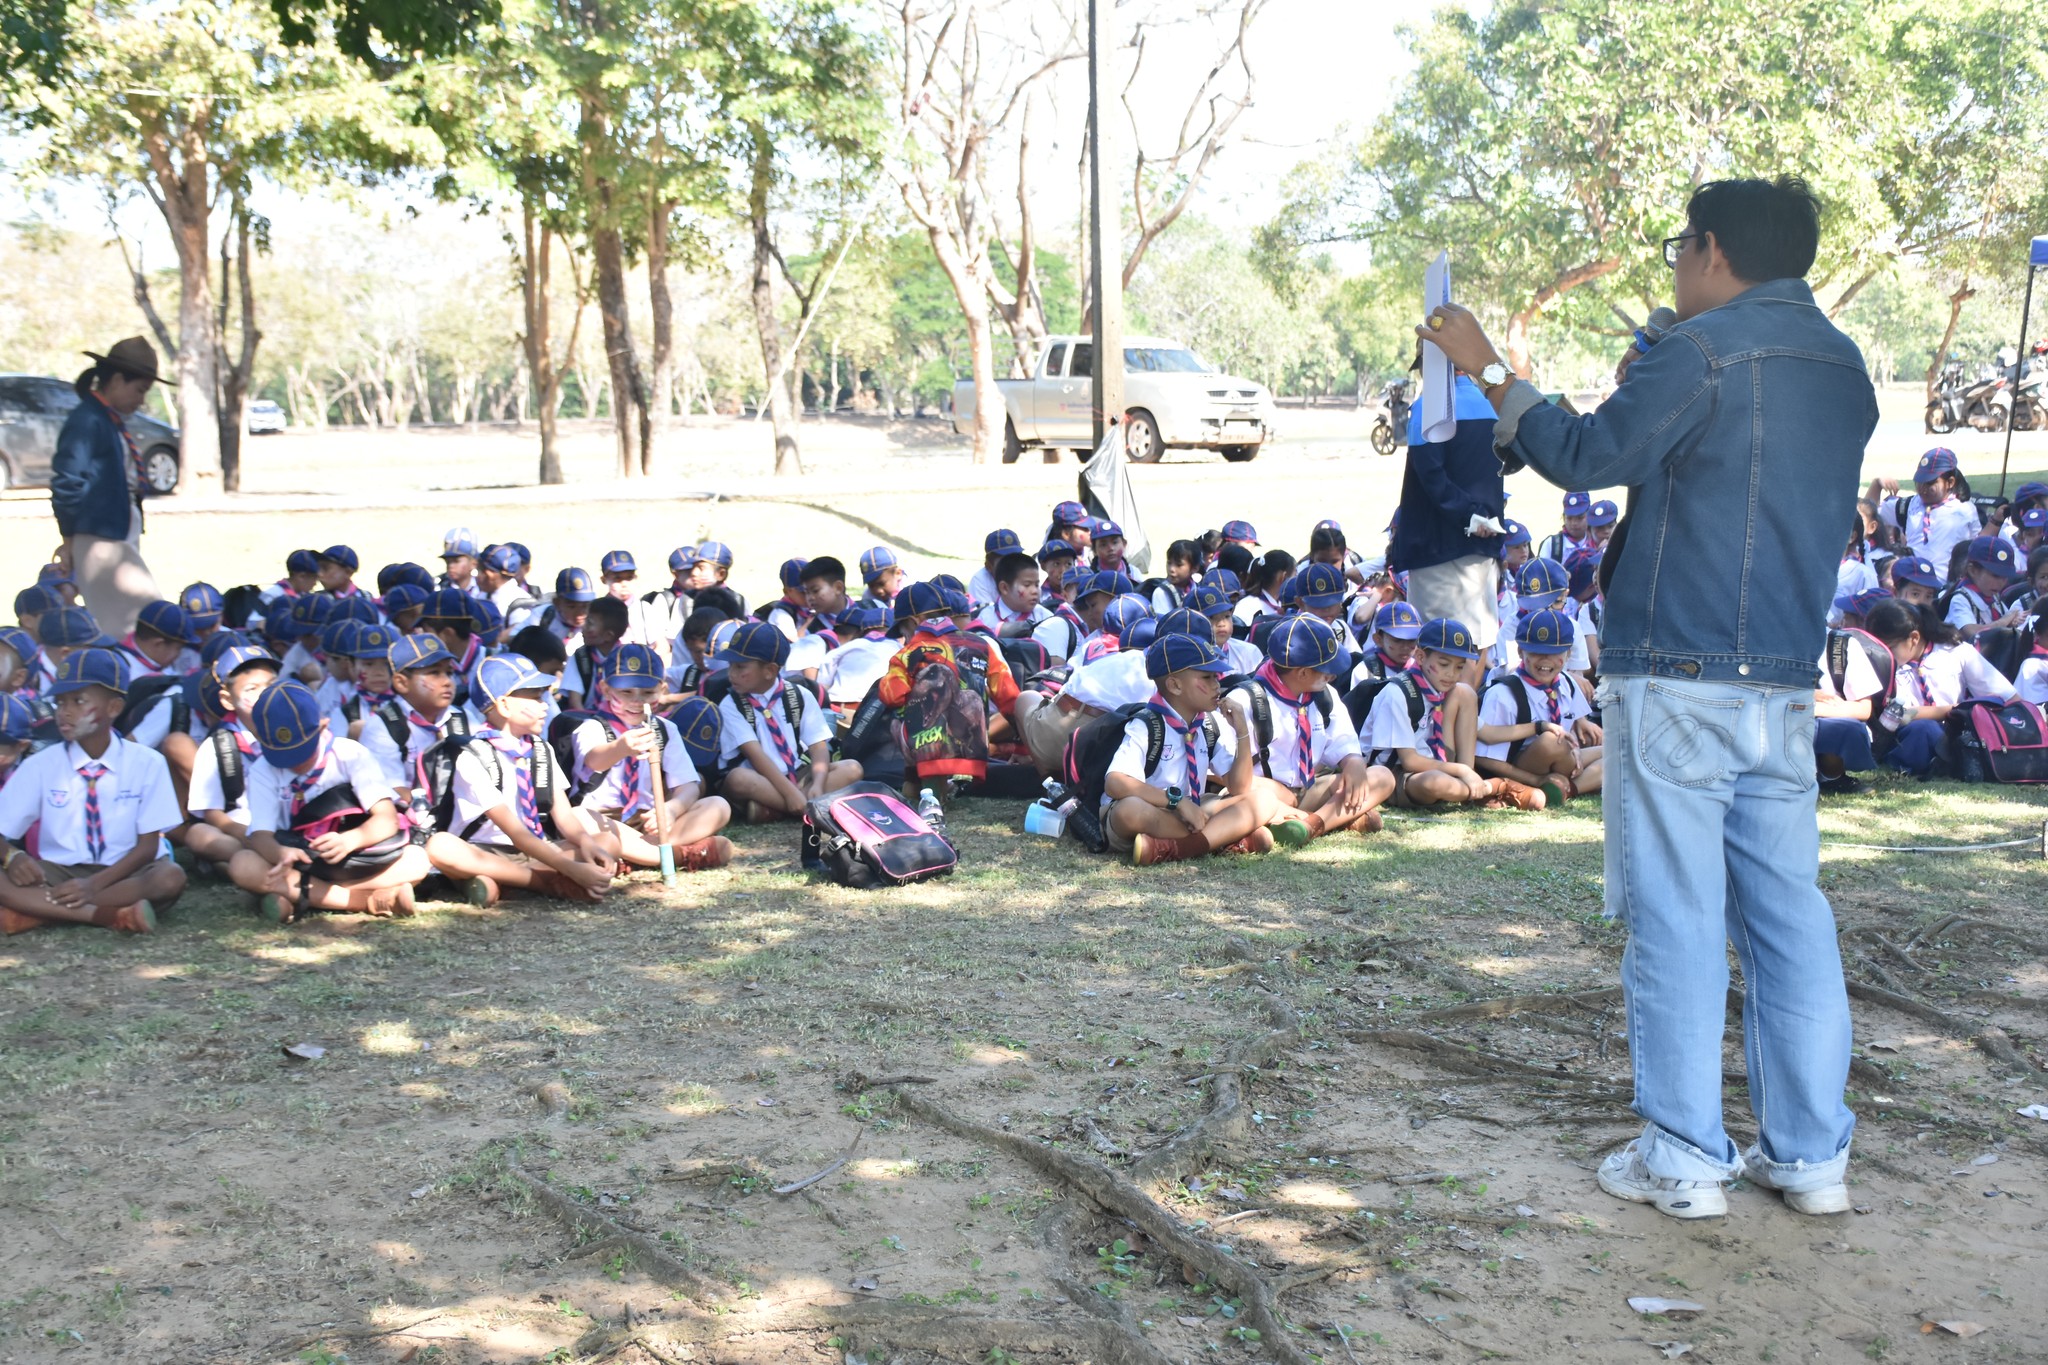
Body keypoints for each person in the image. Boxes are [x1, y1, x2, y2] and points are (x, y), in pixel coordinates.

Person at [1423, 174, 1876, 1219]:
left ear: (1713, 250)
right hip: (1780, 679)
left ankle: (1682, 1153)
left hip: (1677, 668)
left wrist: (1488, 366)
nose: (1675, 267)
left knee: (1675, 912)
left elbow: (1587, 454)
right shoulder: (1842, 364)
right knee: (1787, 918)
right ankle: (1810, 1156)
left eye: (1681, 248)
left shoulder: (1701, 350)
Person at [0, 649, 186, 935]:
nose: (65, 712)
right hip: (59, 871)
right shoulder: (40, 765)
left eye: (78, 701)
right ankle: (107, 915)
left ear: (114, 708)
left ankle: (41, 912)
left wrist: (92, 886)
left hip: (127, 870)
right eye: (60, 702)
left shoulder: (148, 763)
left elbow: (148, 847)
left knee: (170, 878)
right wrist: (12, 856)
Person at [422, 655, 619, 905]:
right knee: (441, 847)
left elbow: (564, 815)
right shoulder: (473, 756)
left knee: (607, 842)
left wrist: (586, 842)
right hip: (485, 850)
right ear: (504, 705)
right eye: (536, 698)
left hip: (535, 851)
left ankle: (505, 881)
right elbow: (515, 832)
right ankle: (544, 883)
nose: (545, 705)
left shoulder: (540, 749)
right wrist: (570, 868)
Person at [1103, 634, 1282, 866]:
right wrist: (1176, 802)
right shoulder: (1147, 724)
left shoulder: (1208, 725)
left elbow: (1239, 787)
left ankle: (1180, 848)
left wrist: (1242, 731)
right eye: (1207, 677)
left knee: (1264, 799)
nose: (1217, 684)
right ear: (1175, 685)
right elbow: (1115, 783)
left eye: (1216, 676)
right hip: (1156, 811)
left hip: (1194, 810)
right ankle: (1224, 837)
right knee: (1129, 811)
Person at [563, 646, 734, 872]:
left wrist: (672, 809)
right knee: (577, 817)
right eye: (626, 692)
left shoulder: (665, 729)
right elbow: (594, 760)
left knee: (718, 806)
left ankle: (633, 855)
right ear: (605, 689)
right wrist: (619, 748)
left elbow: (688, 785)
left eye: (647, 692)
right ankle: (678, 855)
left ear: (662, 690)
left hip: (649, 821)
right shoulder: (592, 728)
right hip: (604, 819)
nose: (636, 701)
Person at [1226, 616, 1393, 841]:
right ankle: (1326, 819)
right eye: (1326, 670)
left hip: (1308, 791)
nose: (1333, 675)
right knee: (1256, 801)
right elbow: (1222, 773)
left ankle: (1309, 826)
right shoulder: (1246, 700)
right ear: (1303, 673)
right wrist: (1270, 788)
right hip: (1262, 794)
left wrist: (1353, 763)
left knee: (1382, 776)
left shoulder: (1324, 696)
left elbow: (1344, 741)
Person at [1392, 360, 1508, 666]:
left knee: (1440, 651)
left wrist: (1470, 515)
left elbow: (1432, 477)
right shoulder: (1491, 403)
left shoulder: (1429, 407)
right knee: (1479, 642)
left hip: (1439, 549)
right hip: (1485, 543)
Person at [50, 337, 166, 638]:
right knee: (144, 627)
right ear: (116, 380)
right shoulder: (87, 420)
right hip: (99, 538)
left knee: (138, 626)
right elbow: (67, 482)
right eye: (139, 390)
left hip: (116, 533)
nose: (141, 400)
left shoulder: (107, 420)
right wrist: (69, 540)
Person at [715, 621, 862, 821]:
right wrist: (790, 794)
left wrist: (818, 783)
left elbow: (818, 746)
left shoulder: (800, 695)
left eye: (740, 667)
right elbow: (755, 755)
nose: (732, 673)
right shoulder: (731, 704)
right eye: (730, 665)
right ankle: (804, 807)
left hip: (796, 774)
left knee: (853, 768)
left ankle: (773, 810)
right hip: (758, 778)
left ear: (770, 670)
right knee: (738, 779)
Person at [1474, 610, 1603, 804]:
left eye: (1554, 653)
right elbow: (1484, 758)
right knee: (1552, 741)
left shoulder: (1567, 682)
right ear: (1520, 652)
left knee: (1616, 750)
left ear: (1568, 654)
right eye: (1535, 653)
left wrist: (1576, 746)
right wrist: (1535, 780)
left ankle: (1565, 790)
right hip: (1518, 768)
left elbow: (1570, 726)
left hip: (1561, 761)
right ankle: (1546, 785)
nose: (1545, 660)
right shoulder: (1503, 694)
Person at [184, 645, 281, 873]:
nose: (265, 695)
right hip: (242, 829)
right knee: (199, 835)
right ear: (227, 700)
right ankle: (253, 861)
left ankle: (240, 866)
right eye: (252, 689)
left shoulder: (293, 733)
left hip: (286, 825)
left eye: (271, 685)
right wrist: (245, 834)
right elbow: (212, 813)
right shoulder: (218, 746)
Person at [1944, 537, 2026, 637]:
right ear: (1972, 571)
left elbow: (2009, 619)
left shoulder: (1994, 598)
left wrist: (2013, 621)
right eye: (1995, 576)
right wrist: (2004, 621)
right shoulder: (1961, 600)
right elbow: (1972, 632)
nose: (2001, 583)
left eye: (2005, 577)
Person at [1538, 492, 1593, 564]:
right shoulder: (1551, 545)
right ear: (1564, 518)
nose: (1574, 523)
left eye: (1580, 518)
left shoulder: (1596, 542)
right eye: (1569, 518)